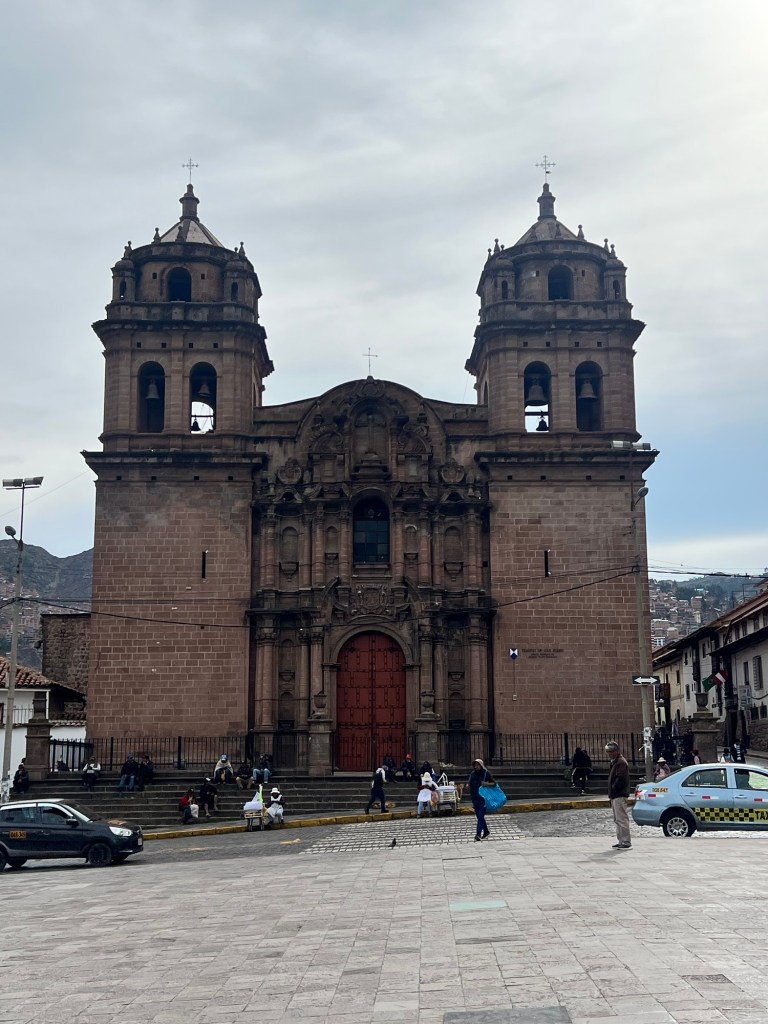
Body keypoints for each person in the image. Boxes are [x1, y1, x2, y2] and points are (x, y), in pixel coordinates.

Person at [606, 741, 631, 849]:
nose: (609, 754)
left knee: (621, 818)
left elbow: (620, 778)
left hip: (619, 794)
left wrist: (614, 788)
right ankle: (621, 840)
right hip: (615, 794)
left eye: (611, 751)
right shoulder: (615, 762)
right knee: (617, 819)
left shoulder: (620, 762)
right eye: (607, 751)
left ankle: (625, 841)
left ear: (616, 751)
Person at [467, 758, 494, 841]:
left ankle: (478, 834)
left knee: (481, 816)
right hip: (475, 798)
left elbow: (494, 783)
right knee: (479, 817)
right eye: (475, 765)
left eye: (478, 765)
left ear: (481, 765)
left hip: (484, 799)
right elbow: (469, 783)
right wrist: (467, 785)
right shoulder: (472, 774)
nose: (476, 766)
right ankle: (486, 831)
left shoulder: (486, 773)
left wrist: (486, 783)